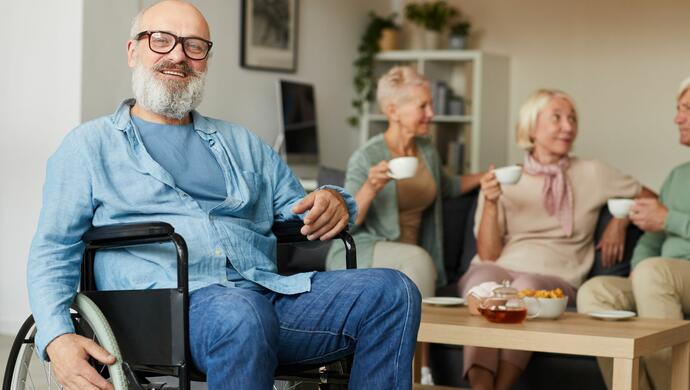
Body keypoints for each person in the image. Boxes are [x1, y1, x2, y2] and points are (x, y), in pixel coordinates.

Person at [26, 2, 421, 389]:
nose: (178, 56)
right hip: (161, 312)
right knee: (241, 313)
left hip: (263, 297)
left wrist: (332, 200)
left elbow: (298, 209)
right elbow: (53, 248)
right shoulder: (88, 147)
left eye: (194, 46)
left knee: (393, 292)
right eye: (162, 41)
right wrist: (57, 337)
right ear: (133, 51)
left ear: (205, 60)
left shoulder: (242, 143)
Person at [459, 88, 655, 390]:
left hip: (557, 276)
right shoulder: (506, 177)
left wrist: (620, 218)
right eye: (557, 118)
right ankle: (480, 387)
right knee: (485, 286)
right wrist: (491, 202)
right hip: (501, 265)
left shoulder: (594, 172)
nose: (568, 127)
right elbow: (488, 253)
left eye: (572, 118)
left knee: (525, 291)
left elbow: (650, 199)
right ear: (532, 127)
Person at [326, 65, 483, 385]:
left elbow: (448, 186)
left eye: (431, 105)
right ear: (393, 110)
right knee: (417, 260)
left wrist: (487, 176)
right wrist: (370, 186)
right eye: (423, 105)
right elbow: (346, 224)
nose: (432, 113)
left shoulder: (426, 150)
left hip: (413, 258)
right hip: (364, 250)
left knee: (417, 261)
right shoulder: (367, 156)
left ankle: (414, 371)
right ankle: (418, 372)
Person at [577, 77, 690, 390]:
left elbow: (666, 223)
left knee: (654, 273)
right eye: (678, 109)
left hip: (671, 276)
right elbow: (653, 239)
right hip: (663, 279)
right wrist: (637, 273)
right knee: (596, 292)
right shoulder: (678, 176)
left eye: (687, 109)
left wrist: (671, 219)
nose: (677, 118)